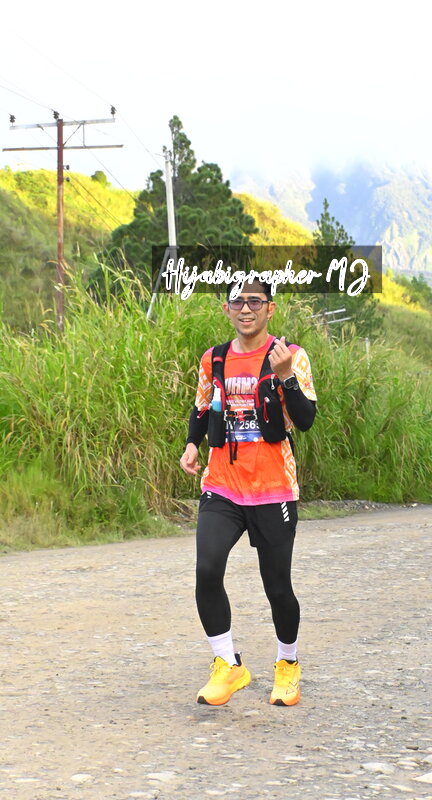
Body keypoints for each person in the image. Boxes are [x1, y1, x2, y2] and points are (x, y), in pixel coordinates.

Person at [180, 278, 317, 706]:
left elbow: (305, 419)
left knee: (277, 586)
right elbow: (203, 407)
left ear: (270, 309)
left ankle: (287, 664)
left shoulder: (290, 356)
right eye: (237, 301)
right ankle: (228, 664)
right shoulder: (214, 358)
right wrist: (191, 444)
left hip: (274, 488)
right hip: (222, 485)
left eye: (255, 301)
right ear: (226, 309)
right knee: (207, 570)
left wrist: (286, 377)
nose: (245, 309)